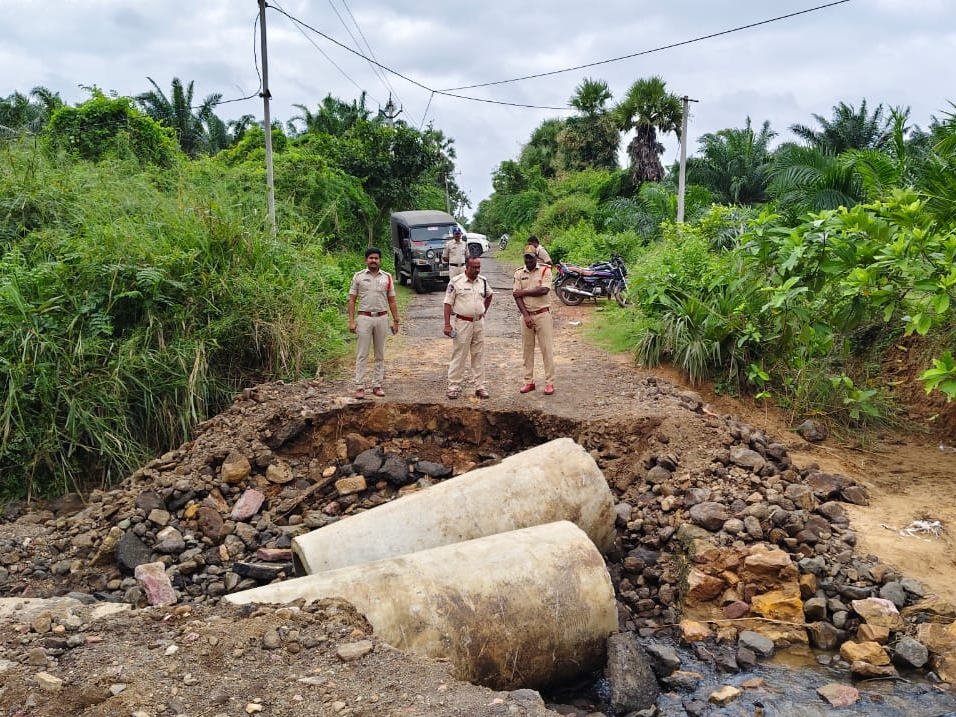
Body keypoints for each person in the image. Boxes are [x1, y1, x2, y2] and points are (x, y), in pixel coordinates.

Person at [347, 247, 400, 400]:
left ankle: (377, 385)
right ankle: (359, 387)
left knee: (380, 354)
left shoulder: (387, 277)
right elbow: (352, 300)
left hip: (382, 318)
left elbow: (392, 301)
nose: (374, 260)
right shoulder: (358, 277)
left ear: (380, 260)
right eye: (371, 258)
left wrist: (396, 321)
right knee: (362, 353)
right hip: (364, 318)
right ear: (366, 260)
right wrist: (351, 321)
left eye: (376, 258)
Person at [443, 256, 493, 400]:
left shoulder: (482, 281)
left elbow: (489, 295)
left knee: (478, 354)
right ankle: (453, 387)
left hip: (478, 323)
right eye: (474, 267)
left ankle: (480, 386)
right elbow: (447, 303)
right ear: (466, 266)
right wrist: (447, 324)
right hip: (462, 323)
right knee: (459, 354)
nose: (477, 270)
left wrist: (484, 311)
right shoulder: (456, 282)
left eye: (478, 267)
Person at [513, 246, 555, 396]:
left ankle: (549, 383)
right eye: (526, 257)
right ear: (523, 257)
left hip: (543, 315)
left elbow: (544, 290)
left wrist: (524, 292)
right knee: (527, 351)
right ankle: (528, 381)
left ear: (536, 257)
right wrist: (526, 316)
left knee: (546, 350)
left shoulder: (545, 270)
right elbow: (516, 296)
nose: (528, 260)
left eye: (531, 257)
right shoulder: (519, 273)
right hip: (526, 316)